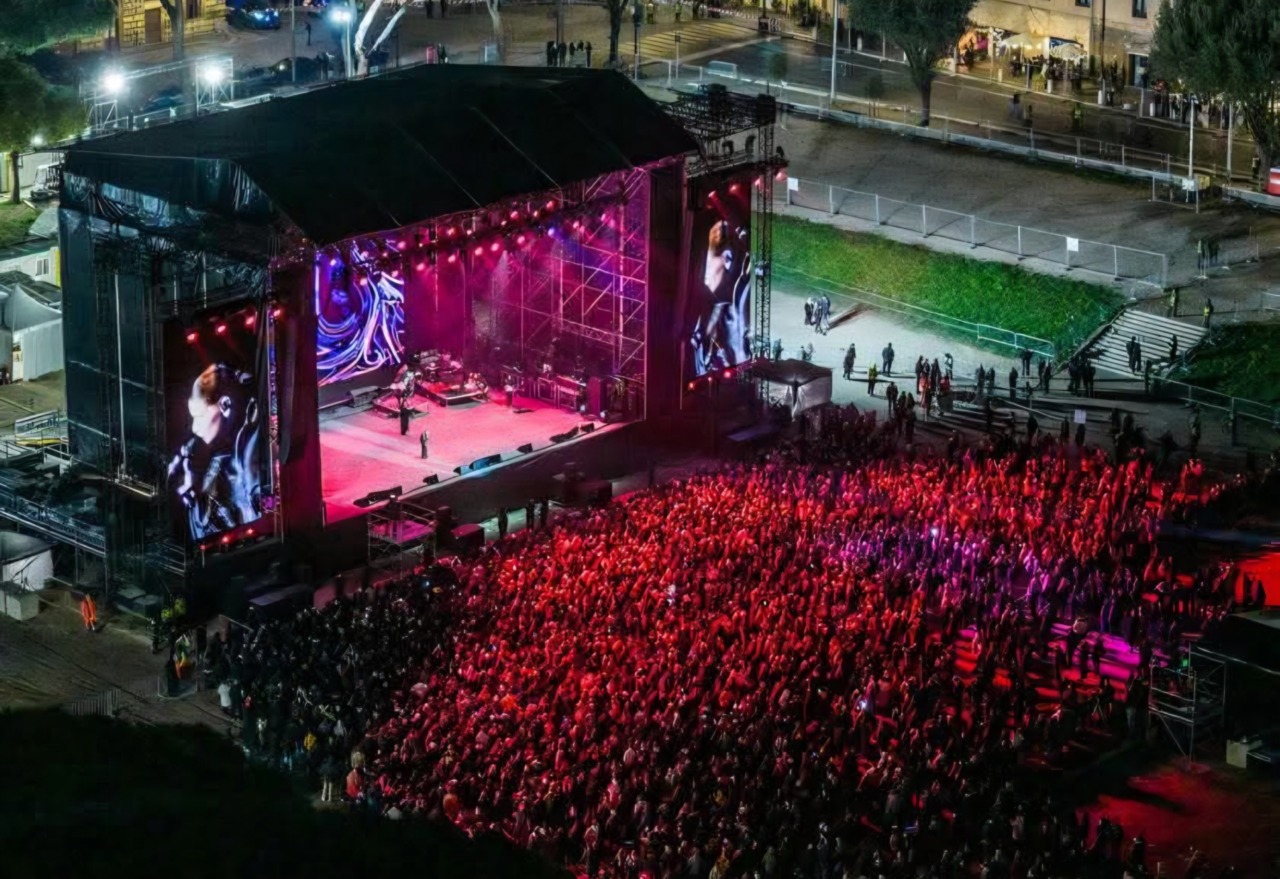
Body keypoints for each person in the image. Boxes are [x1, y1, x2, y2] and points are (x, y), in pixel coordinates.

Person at [167, 363, 262, 541]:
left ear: (225, 405)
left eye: (200, 416)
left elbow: (266, 502)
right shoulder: (219, 461)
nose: (195, 427)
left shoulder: (251, 443)